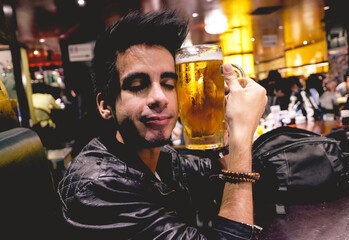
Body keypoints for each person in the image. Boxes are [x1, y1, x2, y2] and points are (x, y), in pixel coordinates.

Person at [57, 10, 267, 239]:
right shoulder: (98, 188)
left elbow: (217, 178)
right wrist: (242, 135)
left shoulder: (162, 158)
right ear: (105, 105)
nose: (160, 97)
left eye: (168, 84)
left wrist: (223, 132)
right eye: (137, 85)